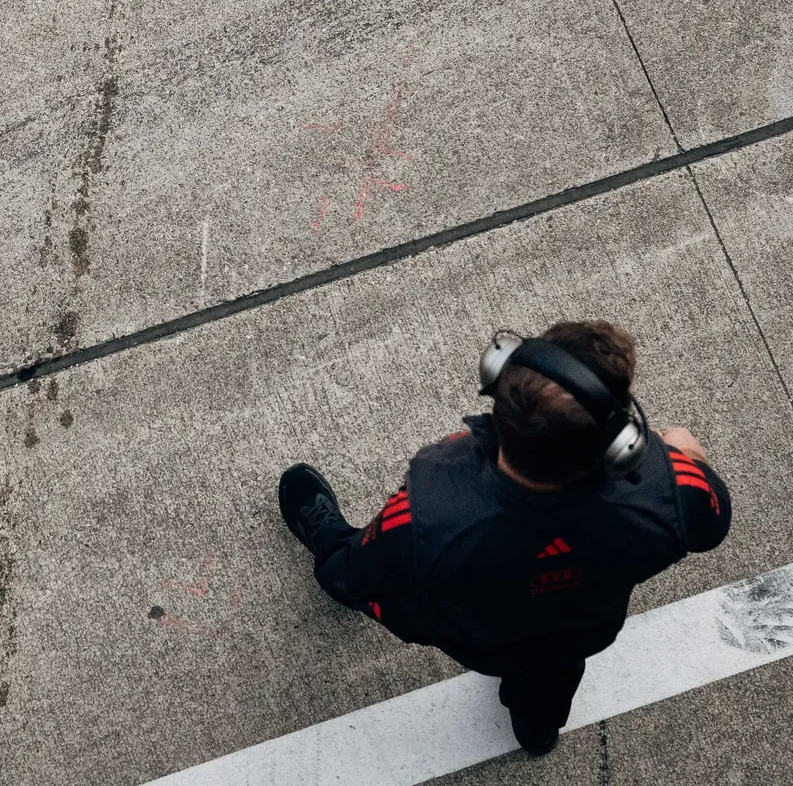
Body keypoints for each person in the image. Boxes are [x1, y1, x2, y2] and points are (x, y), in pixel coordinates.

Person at [278, 319, 732, 755]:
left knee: (346, 566)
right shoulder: (673, 492)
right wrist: (682, 452)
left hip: (482, 639)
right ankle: (537, 732)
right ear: (619, 443)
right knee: (551, 687)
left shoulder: (429, 507)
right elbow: (712, 522)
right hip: (577, 632)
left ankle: (327, 545)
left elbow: (367, 574)